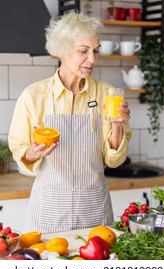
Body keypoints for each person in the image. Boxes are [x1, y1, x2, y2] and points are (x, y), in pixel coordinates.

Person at [8, 12, 131, 233]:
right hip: (49, 210)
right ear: (62, 51)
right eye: (83, 51)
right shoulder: (34, 95)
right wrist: (34, 152)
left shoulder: (106, 94)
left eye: (96, 51)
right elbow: (18, 147)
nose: (92, 59)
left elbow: (114, 161)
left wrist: (117, 125)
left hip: (94, 208)